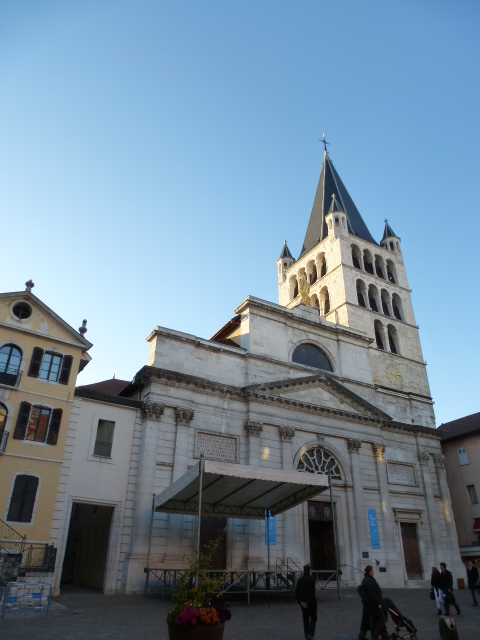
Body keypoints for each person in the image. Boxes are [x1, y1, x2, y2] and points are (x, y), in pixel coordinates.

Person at [358, 565, 389, 640]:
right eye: (373, 571)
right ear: (371, 572)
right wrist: (378, 603)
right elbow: (372, 593)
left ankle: (379, 636)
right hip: (374, 603)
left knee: (373, 620)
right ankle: (375, 636)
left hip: (368, 603)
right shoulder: (370, 581)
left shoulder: (365, 579)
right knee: (381, 619)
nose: (374, 572)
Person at [295, 563, 317, 640]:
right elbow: (312, 593)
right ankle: (310, 633)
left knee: (305, 620)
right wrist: (307, 602)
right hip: (311, 603)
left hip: (302, 603)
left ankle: (306, 635)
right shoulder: (312, 579)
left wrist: (301, 602)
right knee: (314, 617)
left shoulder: (300, 580)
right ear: (309, 571)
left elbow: (296, 593)